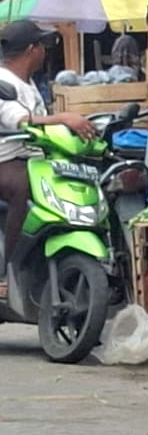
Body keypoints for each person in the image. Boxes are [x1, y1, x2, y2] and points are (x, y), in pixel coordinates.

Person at [0, 20, 97, 260]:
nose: (46, 50)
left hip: (34, 158)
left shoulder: (28, 82)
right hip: (6, 160)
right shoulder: (3, 82)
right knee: (23, 187)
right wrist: (63, 117)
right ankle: (7, 269)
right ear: (32, 49)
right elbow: (19, 119)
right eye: (43, 45)